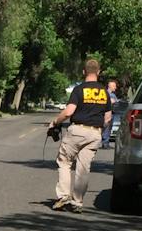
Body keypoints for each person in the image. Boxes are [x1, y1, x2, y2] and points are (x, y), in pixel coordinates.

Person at [48, 58, 110, 213]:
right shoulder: (104, 92)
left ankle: (63, 196)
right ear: (99, 72)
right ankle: (77, 202)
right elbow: (108, 117)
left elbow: (69, 112)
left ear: (84, 72)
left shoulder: (79, 89)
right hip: (95, 133)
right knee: (83, 169)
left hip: (77, 130)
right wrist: (99, 130)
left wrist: (55, 122)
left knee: (64, 161)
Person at [101, 78, 120, 149]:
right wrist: (113, 102)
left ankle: (106, 143)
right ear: (110, 86)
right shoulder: (107, 94)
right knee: (107, 128)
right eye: (114, 86)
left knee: (109, 128)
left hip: (112, 113)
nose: (115, 87)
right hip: (108, 113)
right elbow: (109, 102)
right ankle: (105, 144)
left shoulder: (112, 94)